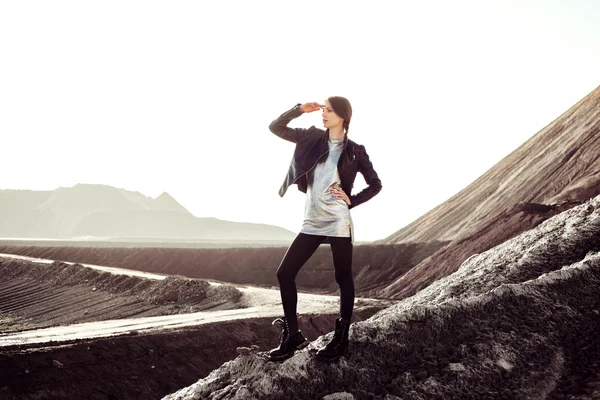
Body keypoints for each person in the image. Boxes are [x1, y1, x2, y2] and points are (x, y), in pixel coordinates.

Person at [266, 96, 382, 362]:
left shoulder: (355, 151)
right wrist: (298, 110)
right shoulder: (310, 138)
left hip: (338, 220)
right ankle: (293, 335)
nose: (323, 114)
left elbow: (376, 184)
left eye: (329, 111)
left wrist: (352, 200)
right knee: (285, 273)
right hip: (312, 220)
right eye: (324, 110)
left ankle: (341, 338)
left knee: (343, 277)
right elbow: (275, 127)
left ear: (343, 116)